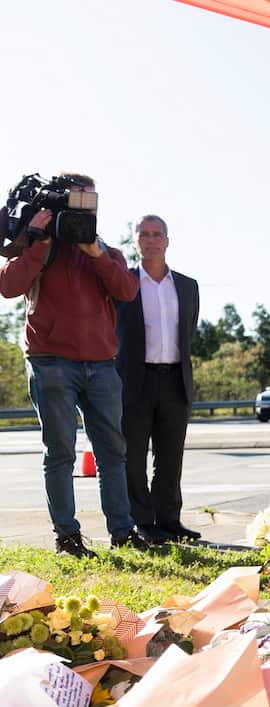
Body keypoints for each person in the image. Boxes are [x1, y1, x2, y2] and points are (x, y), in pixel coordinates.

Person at [0, 172, 153, 556]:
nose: (86, 208)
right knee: (60, 453)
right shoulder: (38, 244)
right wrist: (37, 243)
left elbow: (127, 290)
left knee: (112, 453)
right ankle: (67, 537)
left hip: (101, 365)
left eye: (91, 201)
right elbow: (8, 286)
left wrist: (96, 254)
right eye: (78, 200)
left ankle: (123, 531)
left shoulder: (104, 250)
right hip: (51, 363)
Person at [115, 215, 201, 543]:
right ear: (135, 240)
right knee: (134, 456)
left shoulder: (187, 286)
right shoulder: (123, 283)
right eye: (144, 234)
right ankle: (143, 522)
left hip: (175, 380)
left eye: (157, 234)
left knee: (170, 457)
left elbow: (189, 330)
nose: (151, 240)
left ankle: (169, 520)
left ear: (167, 241)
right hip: (135, 381)